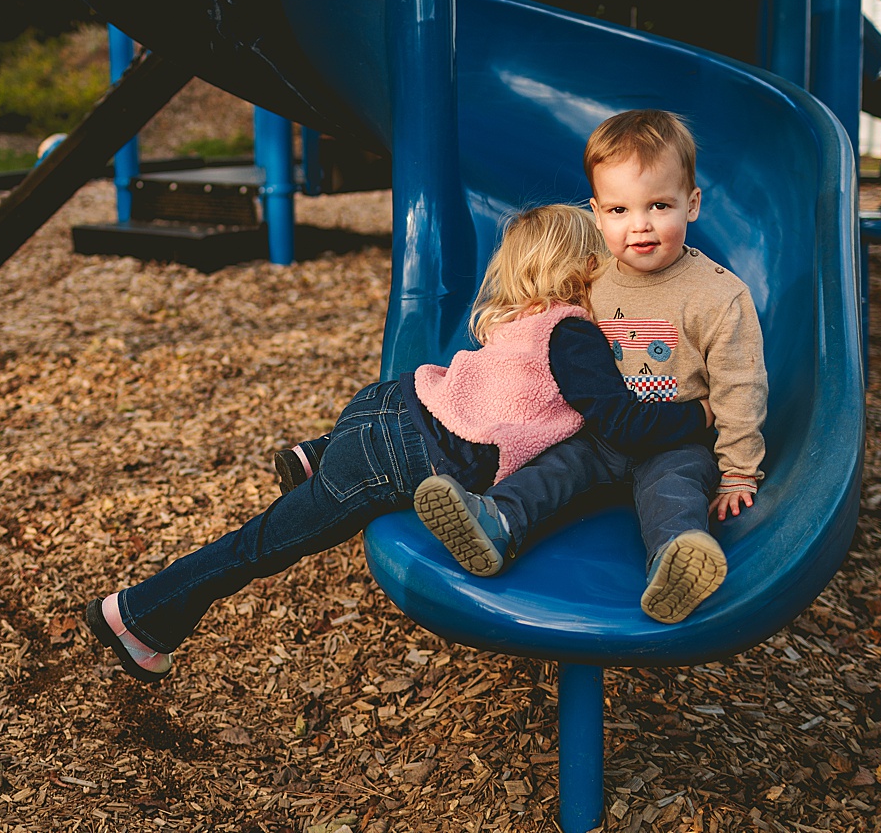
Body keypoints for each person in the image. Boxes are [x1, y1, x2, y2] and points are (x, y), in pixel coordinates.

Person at [85, 204, 712, 682]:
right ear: (582, 270)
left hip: (387, 404)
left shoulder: (523, 318)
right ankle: (137, 616)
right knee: (265, 543)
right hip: (405, 456)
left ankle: (318, 455)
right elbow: (621, 424)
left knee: (316, 492)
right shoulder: (575, 336)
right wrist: (696, 418)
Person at [400, 109, 767, 625]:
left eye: (659, 205)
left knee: (675, 490)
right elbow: (543, 326)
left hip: (675, 436)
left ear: (693, 203)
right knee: (552, 470)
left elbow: (740, 385)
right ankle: (496, 521)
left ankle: (676, 561)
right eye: (619, 210)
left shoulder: (719, 295)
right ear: (597, 214)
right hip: (599, 432)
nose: (639, 224)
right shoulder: (592, 281)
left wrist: (738, 470)